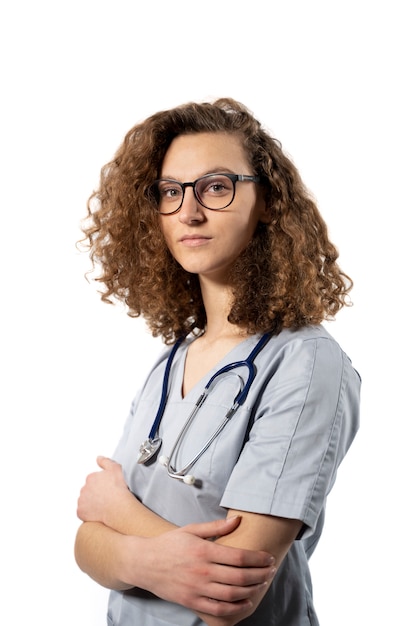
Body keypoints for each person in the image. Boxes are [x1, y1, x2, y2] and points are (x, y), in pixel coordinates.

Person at [74, 97, 361, 626]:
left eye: (215, 187)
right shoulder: (171, 364)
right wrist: (135, 551)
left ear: (269, 201)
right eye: (170, 191)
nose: (189, 210)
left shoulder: (305, 362)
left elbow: (233, 587)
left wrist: (119, 518)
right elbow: (85, 544)